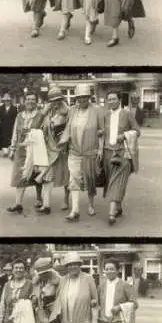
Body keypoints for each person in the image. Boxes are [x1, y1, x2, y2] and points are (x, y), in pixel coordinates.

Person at [59, 83, 104, 222]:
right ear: (76, 98)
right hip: (74, 150)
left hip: (90, 151)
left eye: (85, 97)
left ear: (89, 97)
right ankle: (75, 210)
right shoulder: (72, 110)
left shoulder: (97, 111)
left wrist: (101, 148)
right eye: (79, 98)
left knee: (90, 180)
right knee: (74, 179)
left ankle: (91, 204)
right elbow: (60, 112)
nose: (82, 100)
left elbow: (102, 132)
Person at [7, 92, 49, 214]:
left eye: (33, 99)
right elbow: (15, 133)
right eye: (28, 99)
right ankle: (18, 204)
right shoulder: (19, 116)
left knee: (37, 175)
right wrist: (12, 148)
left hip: (36, 149)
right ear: (24, 102)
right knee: (20, 175)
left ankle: (39, 199)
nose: (30, 101)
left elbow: (46, 132)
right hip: (21, 149)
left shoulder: (41, 116)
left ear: (36, 102)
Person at [103, 91, 140, 225]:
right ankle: (118, 208)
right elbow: (103, 132)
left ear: (119, 100)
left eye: (114, 99)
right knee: (111, 181)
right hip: (108, 153)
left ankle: (111, 214)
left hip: (123, 153)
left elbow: (137, 131)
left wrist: (125, 135)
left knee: (117, 181)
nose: (111, 101)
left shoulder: (127, 114)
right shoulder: (106, 115)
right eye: (109, 99)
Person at [37, 87, 70, 214]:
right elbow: (38, 126)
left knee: (66, 176)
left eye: (57, 99)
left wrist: (65, 143)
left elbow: (69, 129)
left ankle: (66, 199)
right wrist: (44, 112)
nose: (55, 102)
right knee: (47, 176)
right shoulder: (47, 112)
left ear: (61, 99)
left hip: (63, 149)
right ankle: (46, 205)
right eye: (52, 100)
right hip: (49, 149)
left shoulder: (67, 112)